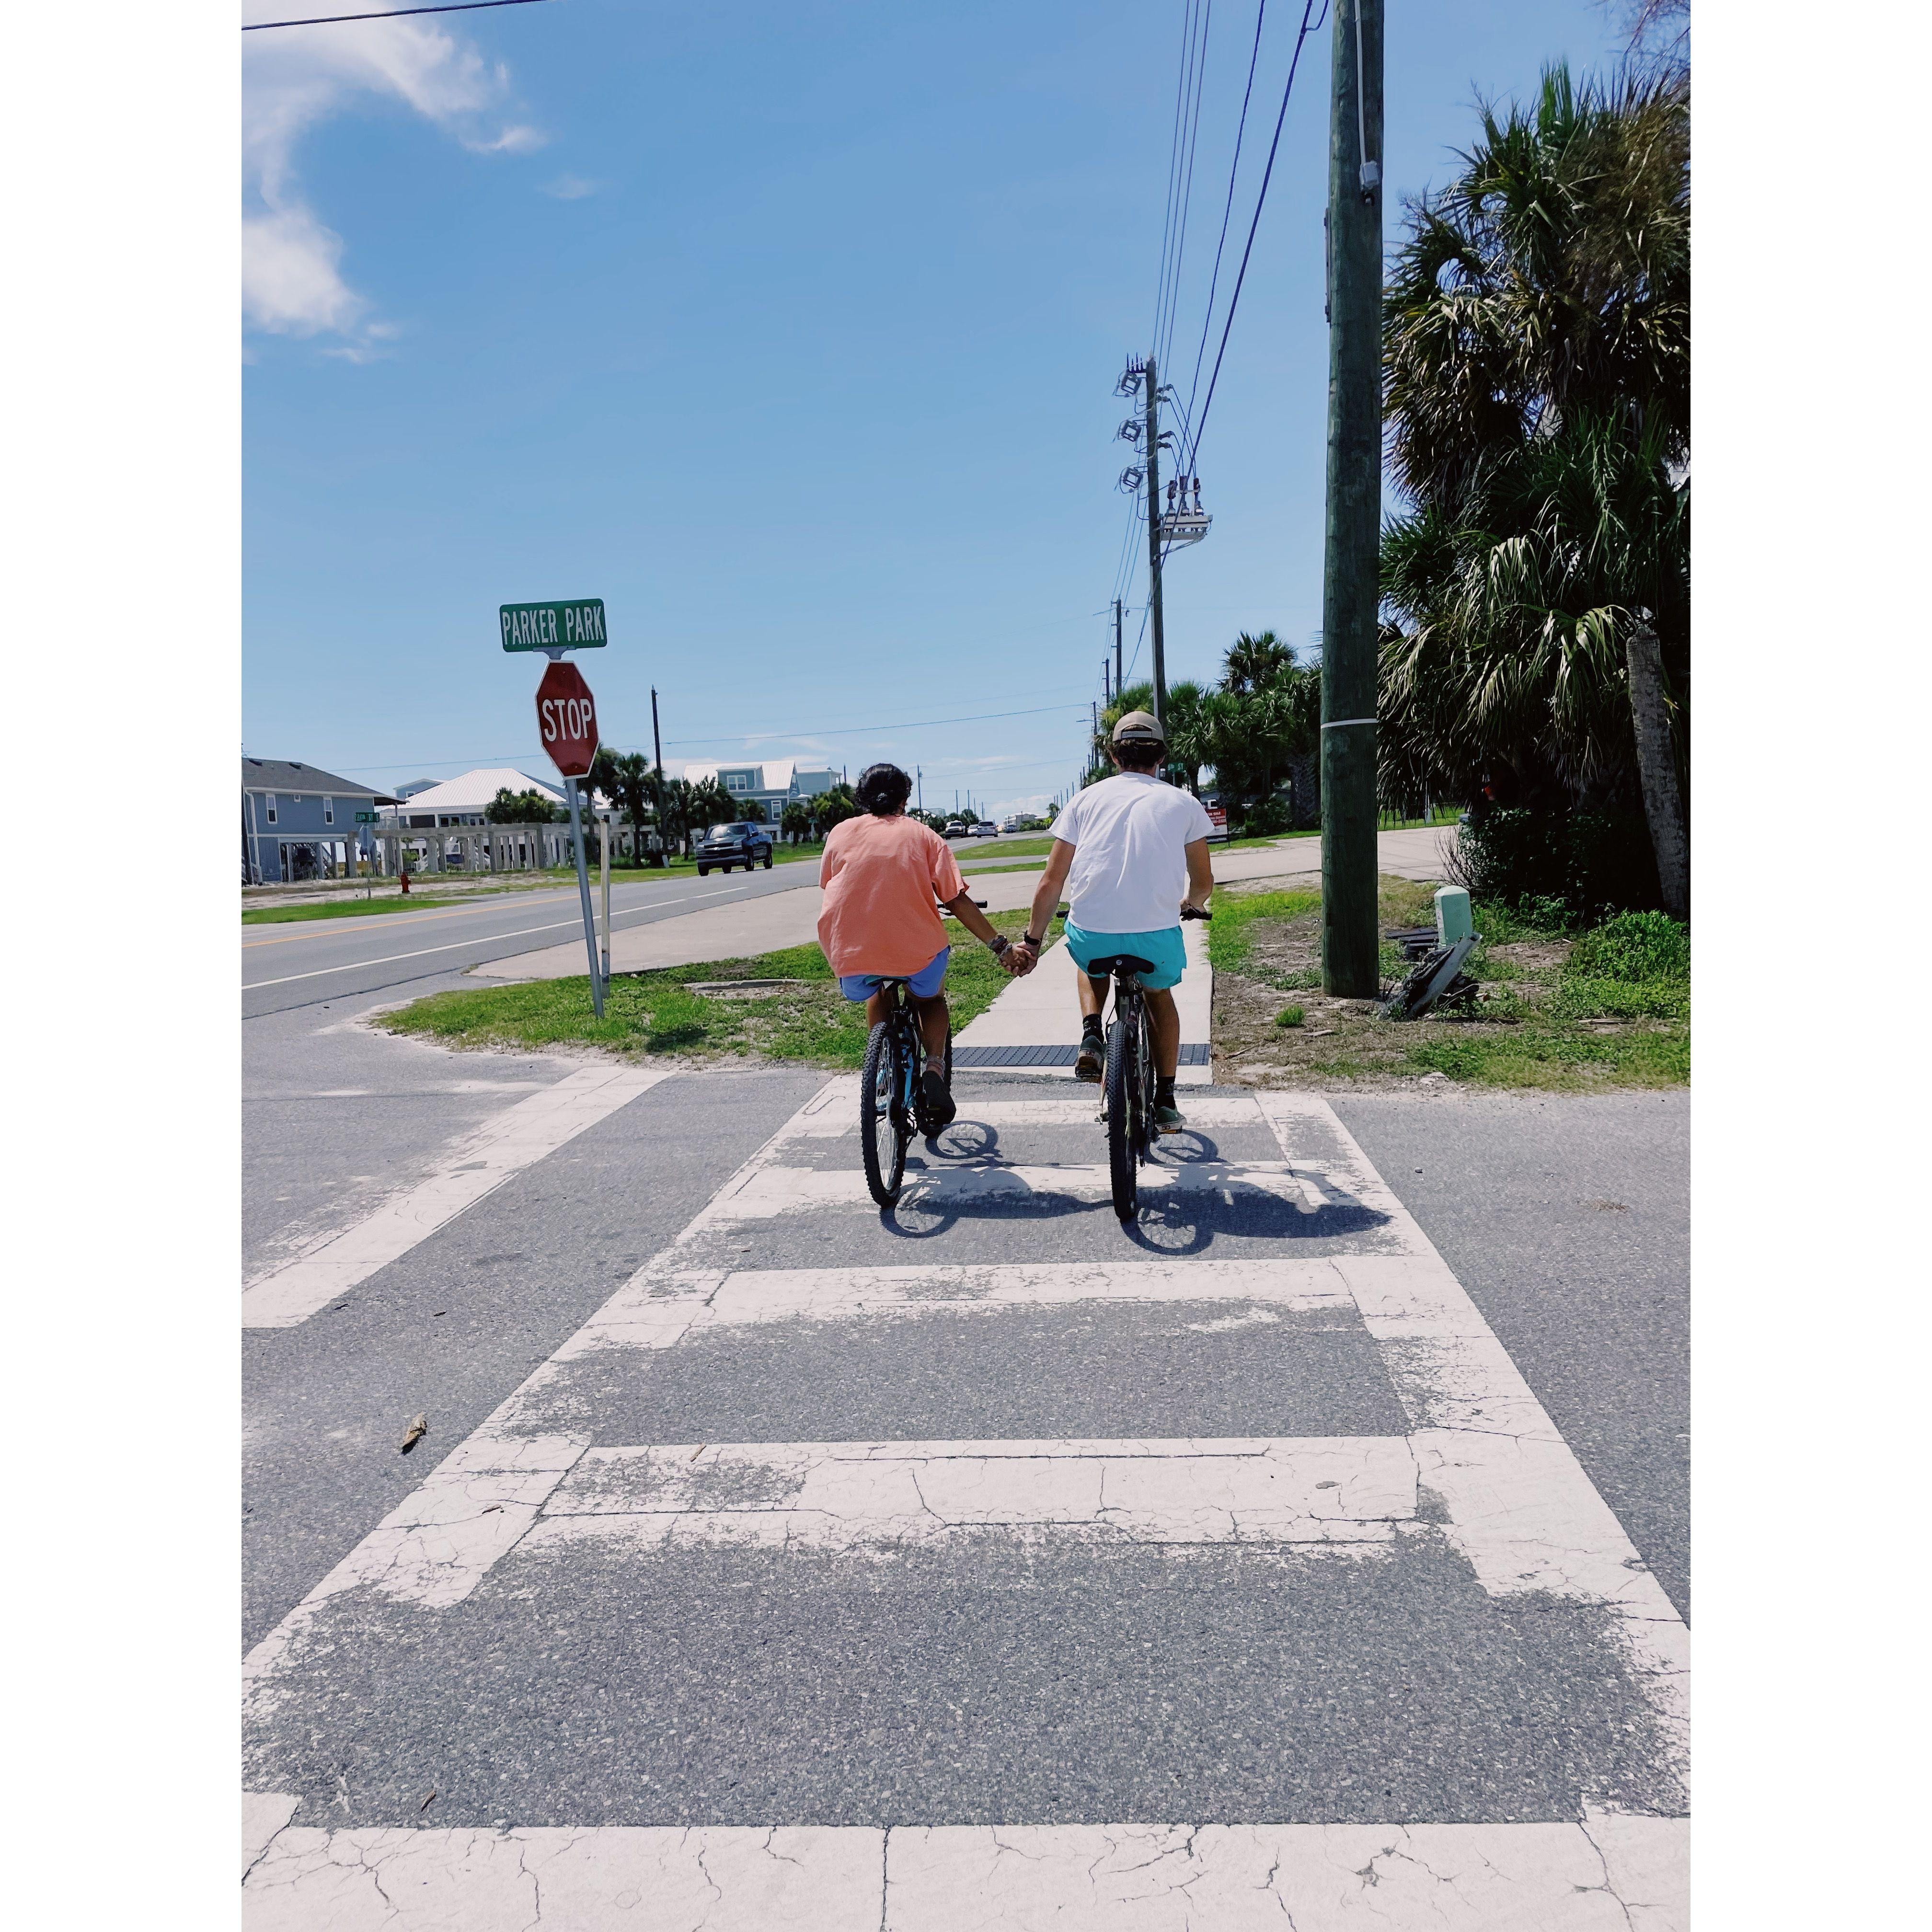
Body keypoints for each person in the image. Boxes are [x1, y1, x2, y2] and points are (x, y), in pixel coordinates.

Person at [1008, 711, 1214, 1132]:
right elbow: (1204, 881)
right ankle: (1167, 1101)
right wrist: (1190, 904)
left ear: (1113, 757)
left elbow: (1052, 881)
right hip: (1155, 935)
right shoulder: (1183, 803)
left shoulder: (1084, 800)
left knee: (1089, 962)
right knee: (1160, 999)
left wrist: (1031, 940)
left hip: (1094, 932)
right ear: (1161, 756)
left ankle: (1091, 1035)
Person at [817, 761, 1023, 1131]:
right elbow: (956, 900)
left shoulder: (840, 833)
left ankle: (882, 1068)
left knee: (877, 988)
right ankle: (933, 1066)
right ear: (905, 799)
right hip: (918, 955)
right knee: (930, 999)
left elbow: (832, 885)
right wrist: (1000, 947)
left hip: (851, 954)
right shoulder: (925, 836)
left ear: (863, 798)